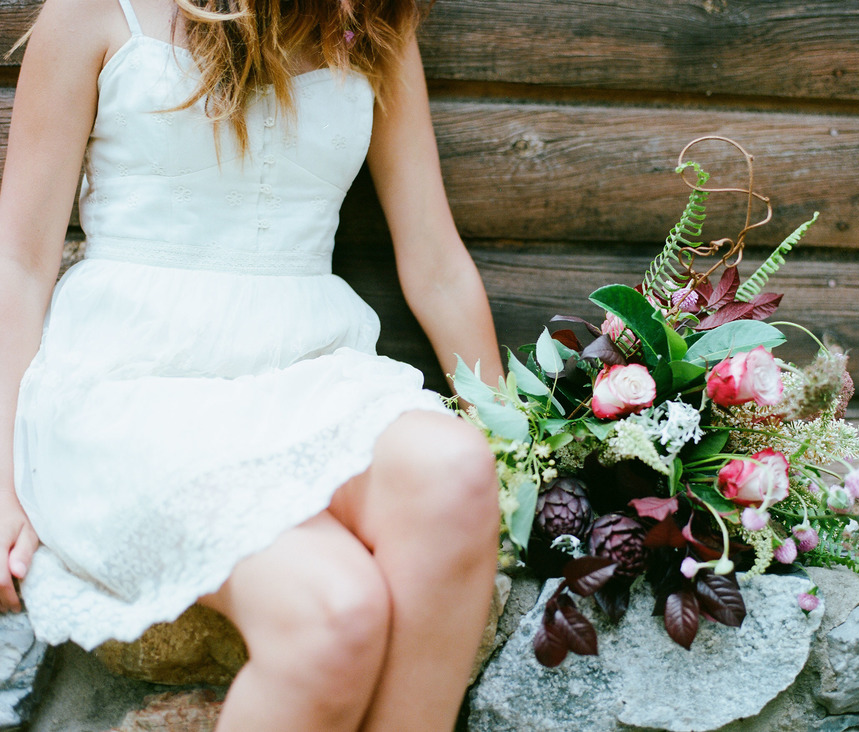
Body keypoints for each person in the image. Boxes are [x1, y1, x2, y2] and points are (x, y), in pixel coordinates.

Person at [0, 0, 504, 729]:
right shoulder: (92, 11)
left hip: (307, 367)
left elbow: (433, 258)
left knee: (458, 471)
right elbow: (18, 261)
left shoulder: (371, 23)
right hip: (133, 387)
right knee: (333, 614)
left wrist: (520, 437)